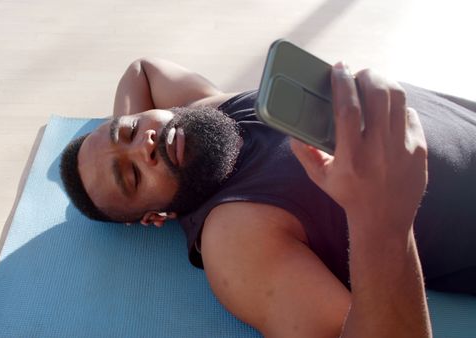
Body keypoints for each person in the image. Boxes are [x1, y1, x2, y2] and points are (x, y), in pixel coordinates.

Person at [59, 57, 476, 337]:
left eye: (130, 130)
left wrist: (120, 136)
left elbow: (142, 69)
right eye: (131, 176)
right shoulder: (236, 240)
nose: (144, 146)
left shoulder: (209, 110)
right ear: (155, 217)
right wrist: (383, 222)